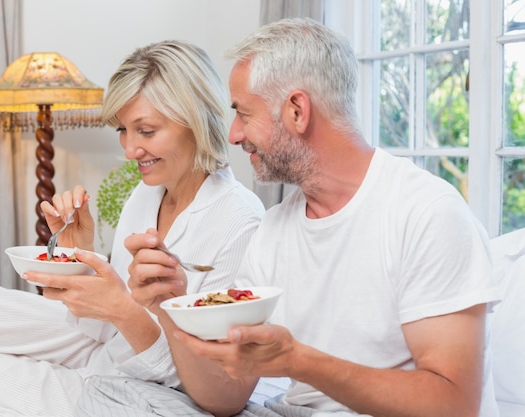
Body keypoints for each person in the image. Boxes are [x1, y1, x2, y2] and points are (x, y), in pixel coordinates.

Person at [113, 18, 502, 417]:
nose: (232, 134)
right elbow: (225, 399)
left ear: (297, 110)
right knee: (113, 397)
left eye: (244, 114)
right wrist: (172, 306)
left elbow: (454, 403)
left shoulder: (426, 212)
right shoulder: (274, 230)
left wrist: (298, 362)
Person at [0, 40, 264, 417]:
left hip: (138, 385)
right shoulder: (147, 194)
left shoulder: (240, 222)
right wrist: (81, 260)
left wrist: (125, 312)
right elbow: (106, 316)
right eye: (124, 130)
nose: (129, 150)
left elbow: (206, 386)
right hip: (105, 342)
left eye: (147, 131)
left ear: (197, 122)